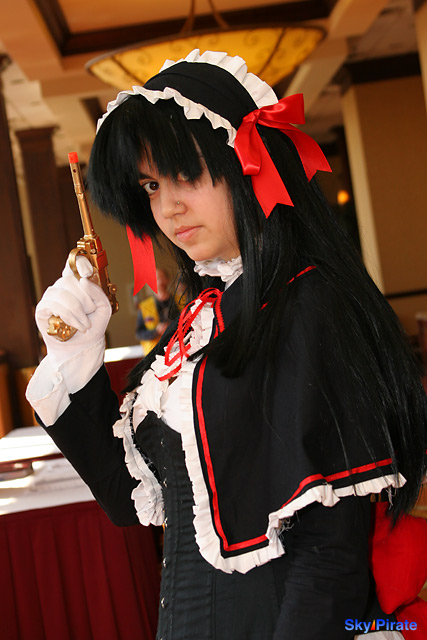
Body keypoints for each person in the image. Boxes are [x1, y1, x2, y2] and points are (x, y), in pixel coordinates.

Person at [26, 50, 427, 639]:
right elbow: (126, 497)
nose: (167, 207)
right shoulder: (201, 320)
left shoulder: (311, 305)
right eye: (151, 185)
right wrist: (75, 359)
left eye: (186, 175)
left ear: (249, 166)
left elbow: (329, 560)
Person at [135, 268, 179, 354]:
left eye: (162, 278)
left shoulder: (181, 301)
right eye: (156, 279)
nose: (160, 282)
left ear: (168, 279)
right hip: (156, 353)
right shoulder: (144, 306)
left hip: (180, 348)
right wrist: (156, 331)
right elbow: (139, 333)